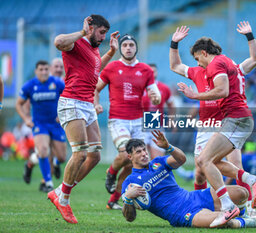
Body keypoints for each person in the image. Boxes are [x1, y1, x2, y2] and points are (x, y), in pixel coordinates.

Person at [174, 22, 256, 227]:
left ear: (204, 53)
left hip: (233, 120)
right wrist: (174, 43)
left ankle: (237, 206)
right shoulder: (227, 66)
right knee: (205, 164)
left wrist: (194, 95)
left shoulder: (220, 65)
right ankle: (244, 187)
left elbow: (223, 89)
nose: (199, 64)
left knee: (208, 161)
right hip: (226, 122)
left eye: (198, 59)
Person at [47, 15, 119, 224]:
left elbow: (96, 67)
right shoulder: (76, 43)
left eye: (106, 33)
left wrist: (112, 52)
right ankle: (64, 199)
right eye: (101, 32)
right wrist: (82, 32)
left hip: (87, 105)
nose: (103, 37)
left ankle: (60, 191)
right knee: (79, 154)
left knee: (94, 155)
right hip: (72, 102)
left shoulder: (94, 48)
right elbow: (58, 42)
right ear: (91, 28)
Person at [121, 130, 256, 229]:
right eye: (138, 152)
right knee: (223, 221)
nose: (144, 154)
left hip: (193, 196)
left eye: (144, 150)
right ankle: (244, 222)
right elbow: (130, 218)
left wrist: (169, 147)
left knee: (242, 192)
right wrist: (127, 198)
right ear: (130, 157)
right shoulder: (130, 182)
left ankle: (243, 214)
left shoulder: (158, 162)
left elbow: (181, 159)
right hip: (181, 213)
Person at [94, 34, 161, 210]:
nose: (128, 48)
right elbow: (95, 88)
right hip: (118, 120)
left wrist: (156, 98)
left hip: (142, 120)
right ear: (121, 48)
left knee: (135, 164)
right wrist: (96, 103)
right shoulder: (111, 68)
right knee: (125, 155)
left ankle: (114, 199)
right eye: (125, 45)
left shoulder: (145, 70)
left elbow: (157, 97)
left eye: (131, 44)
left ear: (136, 47)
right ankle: (111, 173)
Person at [16, 60, 66, 193]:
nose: (43, 72)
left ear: (48, 70)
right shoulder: (30, 85)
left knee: (61, 157)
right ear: (36, 71)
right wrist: (26, 118)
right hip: (40, 125)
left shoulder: (57, 83)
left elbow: (68, 97)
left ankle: (30, 163)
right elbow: (19, 103)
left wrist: (62, 114)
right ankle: (48, 183)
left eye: (45, 69)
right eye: (41, 69)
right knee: (44, 150)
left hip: (55, 124)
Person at [142, 63, 175, 158]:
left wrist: (171, 120)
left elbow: (171, 104)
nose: (152, 73)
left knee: (157, 160)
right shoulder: (140, 87)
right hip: (140, 124)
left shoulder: (163, 88)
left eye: (154, 71)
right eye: (149, 71)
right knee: (142, 158)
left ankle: (157, 172)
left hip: (157, 124)